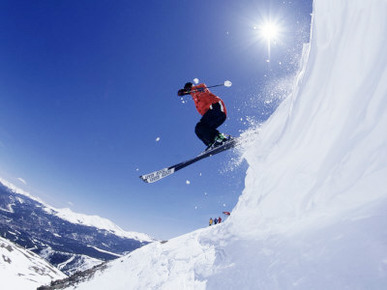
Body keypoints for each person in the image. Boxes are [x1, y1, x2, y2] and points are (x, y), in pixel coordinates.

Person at [178, 82, 229, 150]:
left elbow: (203, 86)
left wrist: (188, 90)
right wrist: (184, 92)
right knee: (198, 129)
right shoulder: (195, 98)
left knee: (201, 125)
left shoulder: (199, 89)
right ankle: (212, 143)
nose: (187, 90)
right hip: (212, 115)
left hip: (217, 108)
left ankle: (220, 138)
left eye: (188, 88)